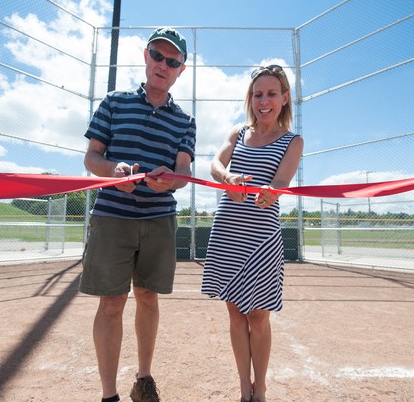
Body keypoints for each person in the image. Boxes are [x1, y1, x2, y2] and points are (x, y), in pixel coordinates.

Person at [80, 27, 196, 402]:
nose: (163, 64)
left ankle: (144, 380)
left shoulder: (185, 120)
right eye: (157, 56)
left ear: (182, 68)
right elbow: (92, 158)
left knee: (147, 296)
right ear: (146, 56)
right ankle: (109, 394)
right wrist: (113, 172)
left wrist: (172, 182)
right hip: (113, 215)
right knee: (112, 301)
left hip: (158, 218)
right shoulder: (114, 102)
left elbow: (184, 171)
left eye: (172, 61)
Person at [201, 64, 303, 402]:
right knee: (234, 313)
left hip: (262, 240)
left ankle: (261, 388)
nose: (264, 101)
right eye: (258, 94)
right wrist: (226, 178)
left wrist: (273, 191)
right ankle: (244, 389)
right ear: (251, 98)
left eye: (272, 94)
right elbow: (215, 165)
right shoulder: (237, 132)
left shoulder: (293, 141)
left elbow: (282, 181)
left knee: (258, 317)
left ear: (284, 98)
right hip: (228, 234)